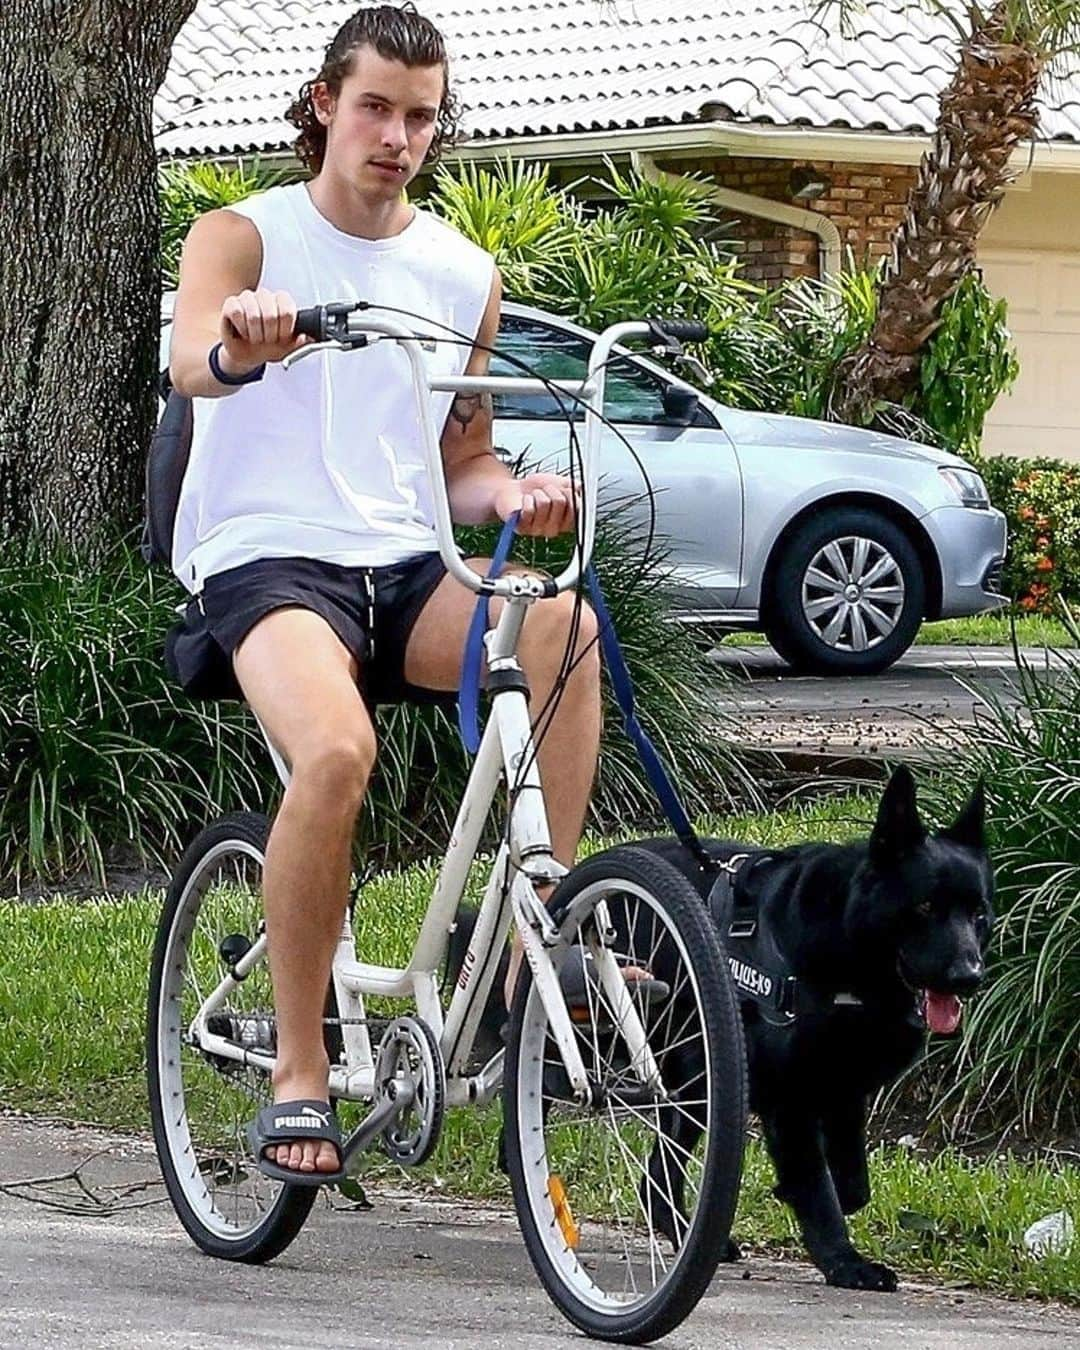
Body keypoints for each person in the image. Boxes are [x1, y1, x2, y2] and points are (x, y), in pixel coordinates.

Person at [165, 4, 601, 1181]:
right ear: (324, 104)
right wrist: (245, 345)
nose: (398, 135)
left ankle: (528, 965)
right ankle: (301, 1070)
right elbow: (190, 357)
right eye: (375, 107)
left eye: (419, 115)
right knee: (338, 755)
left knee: (563, 620)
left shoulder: (463, 272)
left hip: (405, 563)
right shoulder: (245, 236)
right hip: (267, 557)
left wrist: (514, 499)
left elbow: (462, 462)